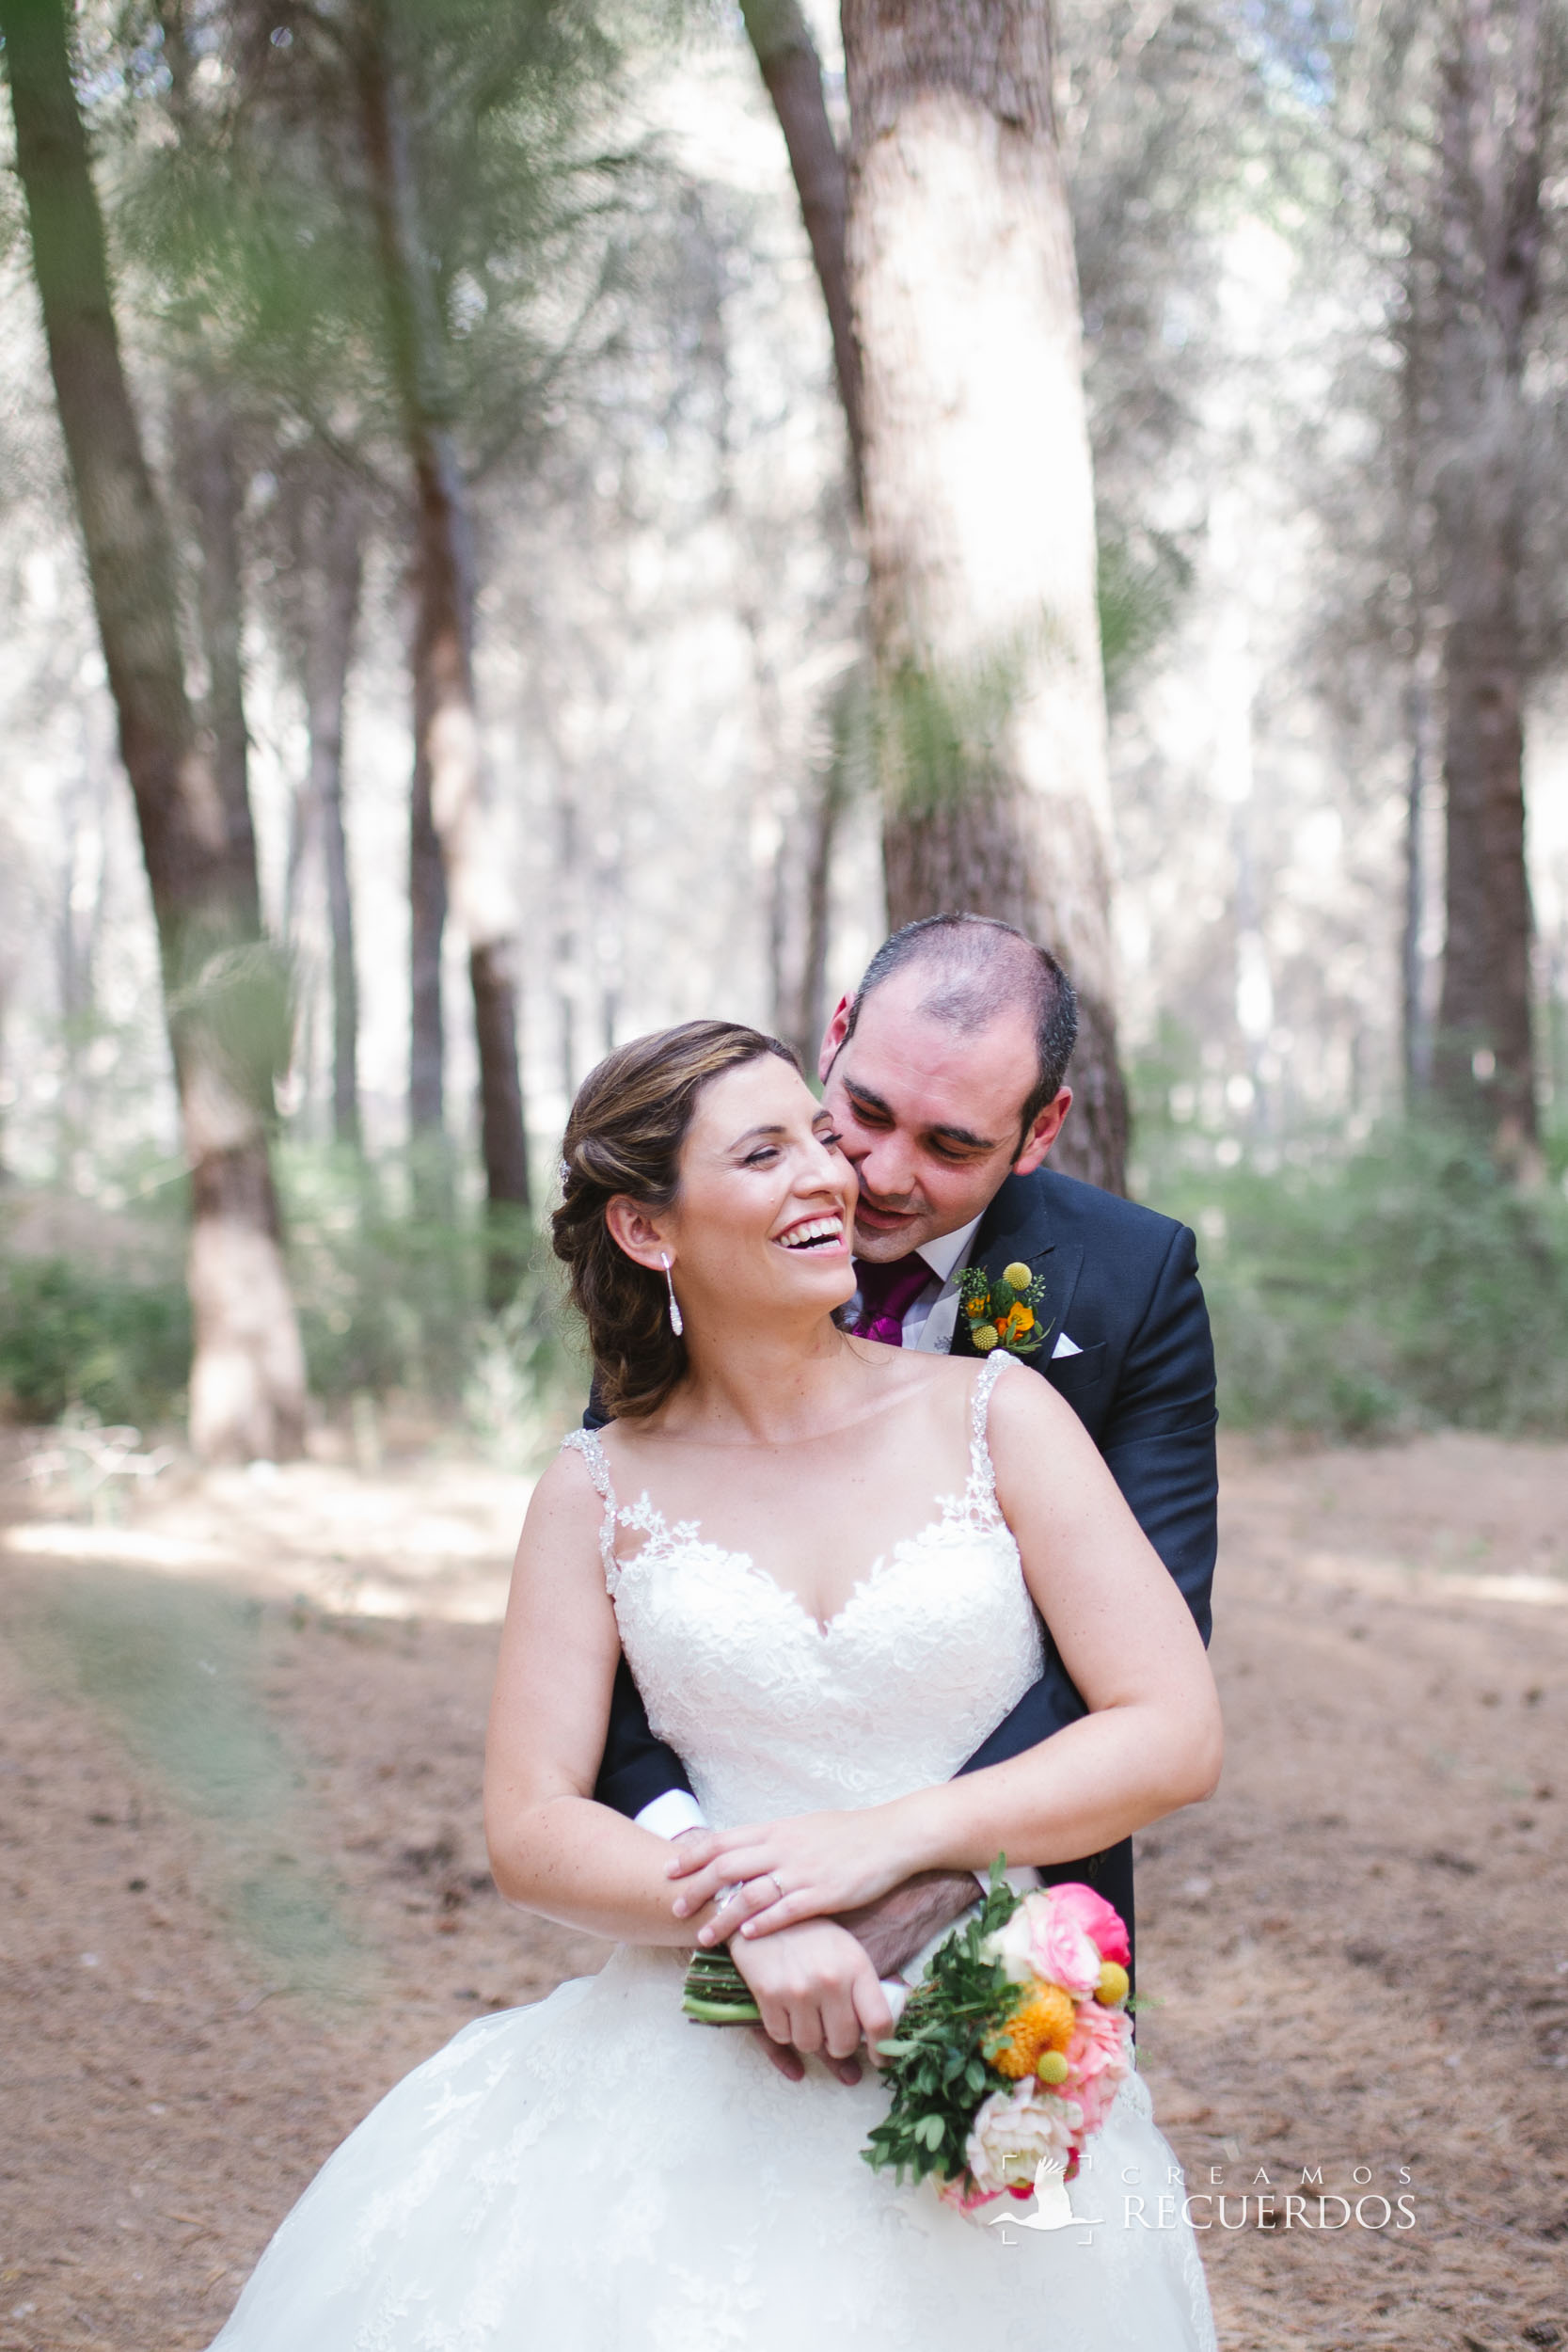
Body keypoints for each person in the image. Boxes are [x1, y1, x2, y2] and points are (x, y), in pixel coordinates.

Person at [210, 1017, 1222, 2350]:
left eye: (817, 1136)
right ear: (647, 1229)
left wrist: (883, 1842)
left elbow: (1172, 1728)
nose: (830, 1176)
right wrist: (742, 1923)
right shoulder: (593, 1490)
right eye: (764, 1154)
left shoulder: (996, 1415)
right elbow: (530, 1823)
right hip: (683, 2071)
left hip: (988, 2035)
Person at [594, 915, 1217, 2052]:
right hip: (729, 1926)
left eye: (949, 1146)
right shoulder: (708, 1251)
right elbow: (631, 1603)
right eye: (865, 1112)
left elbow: (1144, 1650)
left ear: (1039, 1131)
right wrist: (728, 1887)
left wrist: (923, 1872)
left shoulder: (1131, 1283)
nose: (875, 1176)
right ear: (835, 1033)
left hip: (1016, 1915)